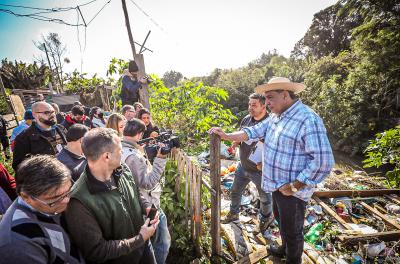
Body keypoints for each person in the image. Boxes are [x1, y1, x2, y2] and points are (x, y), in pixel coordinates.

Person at [209, 77, 334, 264]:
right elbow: (252, 132)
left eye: (269, 98)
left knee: (293, 232)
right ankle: (284, 248)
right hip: (276, 185)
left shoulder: (308, 119)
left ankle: (293, 259)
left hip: (293, 192)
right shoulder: (276, 117)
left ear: (285, 95)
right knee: (283, 225)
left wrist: (294, 186)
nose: (266, 103)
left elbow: (324, 161)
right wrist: (225, 135)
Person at [64, 127, 158, 264]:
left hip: (144, 248)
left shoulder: (122, 169)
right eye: (120, 150)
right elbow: (96, 251)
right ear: (107, 156)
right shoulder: (78, 202)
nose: (123, 153)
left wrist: (146, 207)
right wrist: (140, 238)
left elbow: (135, 192)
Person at [0, 155, 84, 263]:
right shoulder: (17, 243)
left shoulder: (54, 203)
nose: (66, 201)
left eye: (68, 192)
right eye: (54, 199)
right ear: (26, 197)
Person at [222, 93, 273, 234]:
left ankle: (264, 222)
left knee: (265, 199)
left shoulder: (271, 123)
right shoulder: (246, 119)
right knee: (235, 191)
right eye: (249, 104)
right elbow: (240, 135)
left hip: (260, 171)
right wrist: (234, 144)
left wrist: (266, 162)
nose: (250, 108)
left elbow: (277, 148)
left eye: (254, 105)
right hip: (243, 166)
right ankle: (233, 214)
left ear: (264, 105)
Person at [122, 119, 170, 264]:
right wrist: (161, 159)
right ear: (140, 134)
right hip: (148, 206)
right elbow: (147, 183)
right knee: (162, 243)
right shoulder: (133, 157)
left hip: (135, 204)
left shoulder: (119, 148)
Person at [12, 102, 67, 172]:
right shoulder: (24, 138)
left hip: (69, 175)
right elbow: (18, 167)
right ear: (35, 115)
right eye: (47, 112)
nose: (52, 115)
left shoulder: (61, 129)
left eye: (53, 112)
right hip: (50, 180)